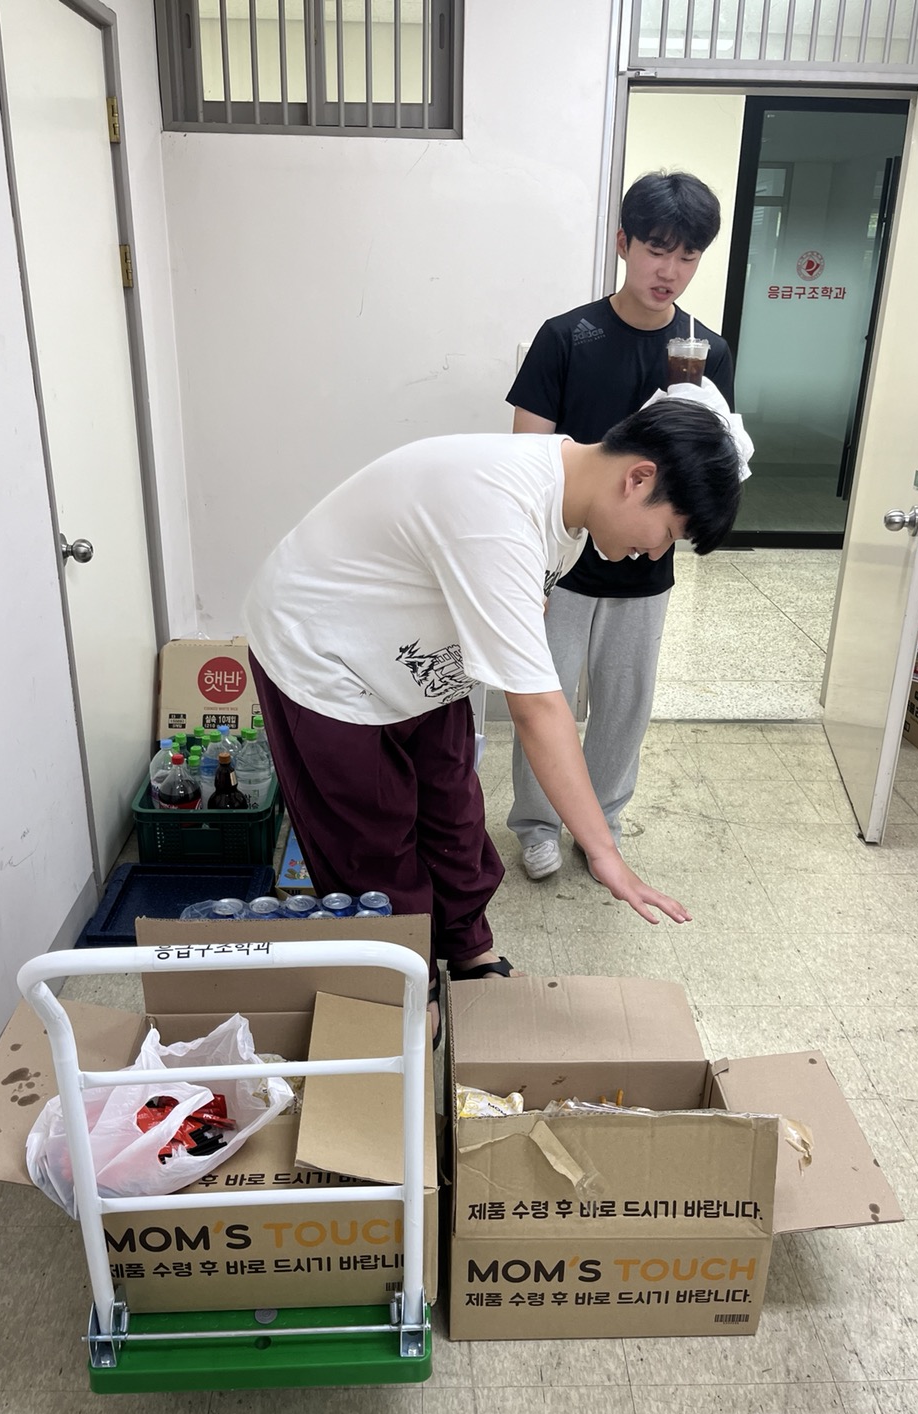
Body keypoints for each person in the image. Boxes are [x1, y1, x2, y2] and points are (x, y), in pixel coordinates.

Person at [244, 401, 743, 1043]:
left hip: (415, 654)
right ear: (639, 478)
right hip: (324, 652)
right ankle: (406, 978)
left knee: (452, 807)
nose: (656, 554)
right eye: (669, 532)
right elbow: (538, 710)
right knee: (371, 834)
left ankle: (468, 951)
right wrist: (604, 853)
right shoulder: (500, 513)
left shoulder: (569, 500)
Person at [507, 170, 736, 881]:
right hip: (563, 562)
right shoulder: (567, 336)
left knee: (626, 702)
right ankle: (538, 822)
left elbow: (714, 460)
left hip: (647, 564)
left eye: (689, 256)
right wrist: (528, 569)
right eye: (657, 250)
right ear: (622, 243)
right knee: (544, 693)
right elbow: (527, 457)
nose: (670, 271)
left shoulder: (706, 350)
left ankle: (602, 819)